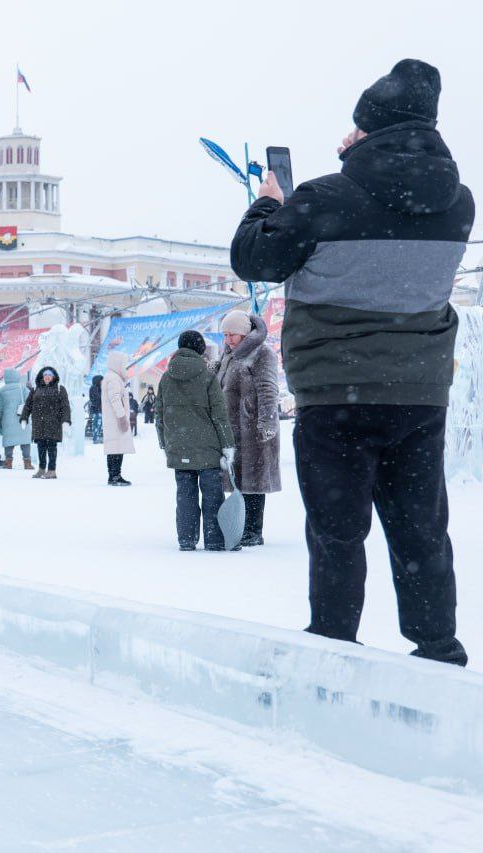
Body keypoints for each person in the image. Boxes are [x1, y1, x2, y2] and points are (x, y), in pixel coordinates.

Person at [230, 59, 472, 666]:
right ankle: (438, 649)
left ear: (368, 128)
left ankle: (335, 651)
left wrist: (267, 204)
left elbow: (254, 259)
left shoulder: (325, 198)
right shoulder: (457, 204)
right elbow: (396, 205)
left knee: (337, 532)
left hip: (337, 392)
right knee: (421, 530)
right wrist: (367, 154)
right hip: (418, 394)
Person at [156, 332, 236, 551]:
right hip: (207, 448)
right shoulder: (208, 377)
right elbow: (219, 415)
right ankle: (214, 540)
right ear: (200, 349)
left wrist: (164, 442)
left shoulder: (166, 377)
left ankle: (187, 539)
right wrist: (228, 445)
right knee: (213, 495)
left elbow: (159, 414)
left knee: (185, 495)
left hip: (178, 445)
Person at [217, 310, 282, 548]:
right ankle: (243, 526)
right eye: (225, 334)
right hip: (233, 427)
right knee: (240, 479)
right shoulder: (229, 354)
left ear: (244, 333)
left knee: (253, 480)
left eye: (232, 334)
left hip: (255, 428)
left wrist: (267, 422)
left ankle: (253, 531)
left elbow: (268, 389)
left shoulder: (262, 353)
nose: (227, 339)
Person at [20, 366, 71, 479]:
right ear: (42, 377)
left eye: (49, 375)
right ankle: (42, 469)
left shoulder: (60, 389)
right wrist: (24, 417)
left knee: (52, 447)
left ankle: (52, 470)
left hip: (53, 423)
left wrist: (66, 420)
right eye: (45, 375)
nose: (47, 377)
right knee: (41, 446)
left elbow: (65, 406)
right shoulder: (35, 389)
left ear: (53, 377)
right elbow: (28, 405)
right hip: (39, 424)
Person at [102, 352, 135, 486]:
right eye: (124, 365)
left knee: (114, 448)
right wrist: (122, 417)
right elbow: (115, 399)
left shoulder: (112, 377)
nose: (125, 368)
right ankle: (115, 476)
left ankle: (113, 475)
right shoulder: (114, 379)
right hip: (116, 420)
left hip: (113, 420)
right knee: (117, 448)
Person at [0, 368, 33, 470]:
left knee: (9, 441)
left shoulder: (1, 391)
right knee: (25, 440)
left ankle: (8, 462)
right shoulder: (23, 388)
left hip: (7, 420)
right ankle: (27, 463)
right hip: (22, 418)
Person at [87, 374, 104, 444]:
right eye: (101, 381)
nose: (102, 382)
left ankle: (97, 437)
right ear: (98, 381)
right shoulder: (93, 388)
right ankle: (95, 438)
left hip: (99, 409)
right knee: (96, 423)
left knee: (99, 423)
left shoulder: (99, 388)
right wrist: (102, 397)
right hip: (95, 409)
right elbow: (97, 398)